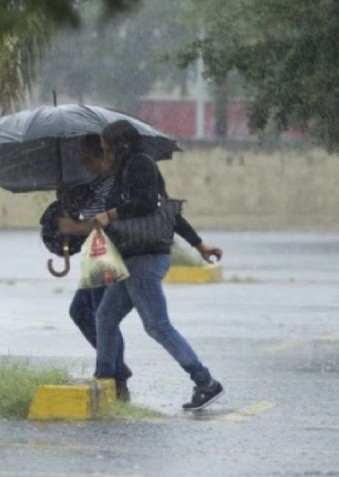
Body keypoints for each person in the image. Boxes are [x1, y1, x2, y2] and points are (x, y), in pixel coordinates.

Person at [59, 121, 224, 410]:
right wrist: (200, 245)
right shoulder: (124, 171)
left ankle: (205, 381)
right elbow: (167, 210)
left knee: (157, 326)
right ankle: (106, 379)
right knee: (105, 316)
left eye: (108, 145)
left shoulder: (139, 164)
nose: (105, 151)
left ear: (120, 144)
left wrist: (111, 214)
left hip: (146, 259)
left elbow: (150, 204)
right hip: (132, 258)